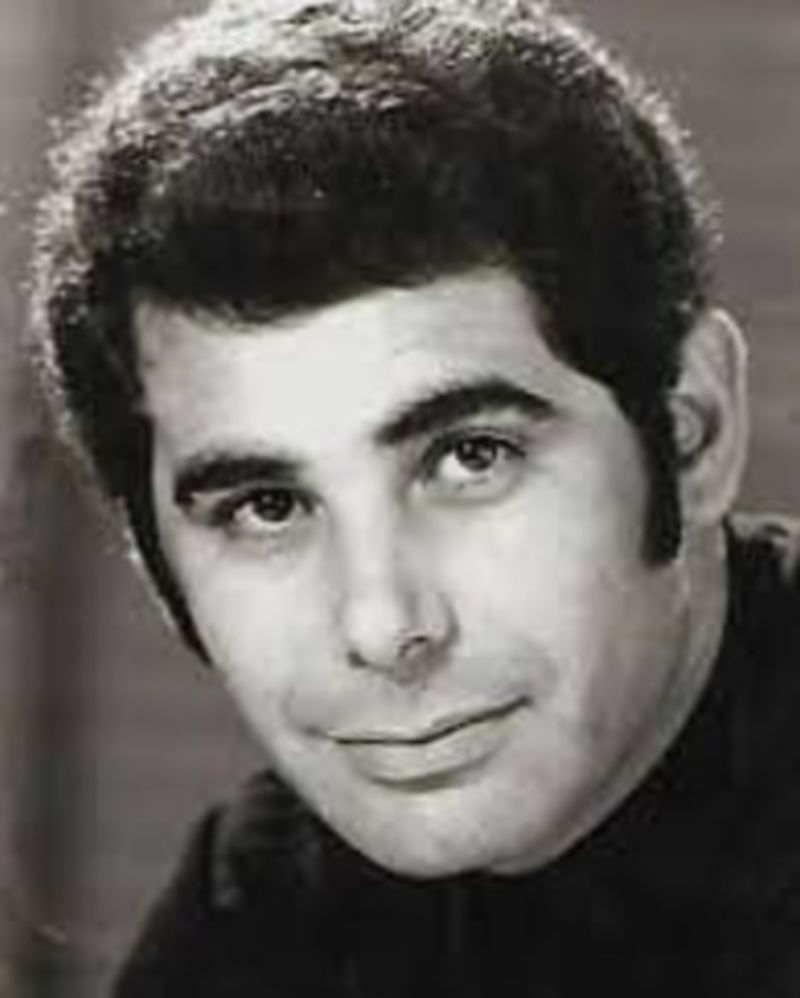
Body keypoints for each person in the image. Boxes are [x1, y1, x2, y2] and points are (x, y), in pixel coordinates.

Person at [28, 0, 800, 994]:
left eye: (471, 457)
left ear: (691, 432)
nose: (385, 624)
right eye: (267, 506)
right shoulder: (267, 903)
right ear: (157, 563)